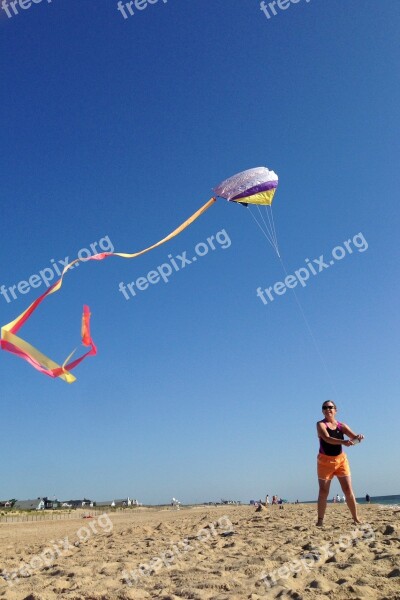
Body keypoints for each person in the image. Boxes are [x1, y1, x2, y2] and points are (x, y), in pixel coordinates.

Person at [316, 400, 364, 526]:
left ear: (335, 410)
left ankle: (355, 518)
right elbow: (327, 438)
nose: (328, 409)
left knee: (348, 490)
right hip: (325, 461)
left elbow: (353, 437)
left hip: (341, 460)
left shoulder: (341, 425)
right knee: (323, 491)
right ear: (322, 411)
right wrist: (344, 442)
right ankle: (320, 521)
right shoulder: (320, 425)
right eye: (325, 407)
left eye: (330, 407)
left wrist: (358, 438)